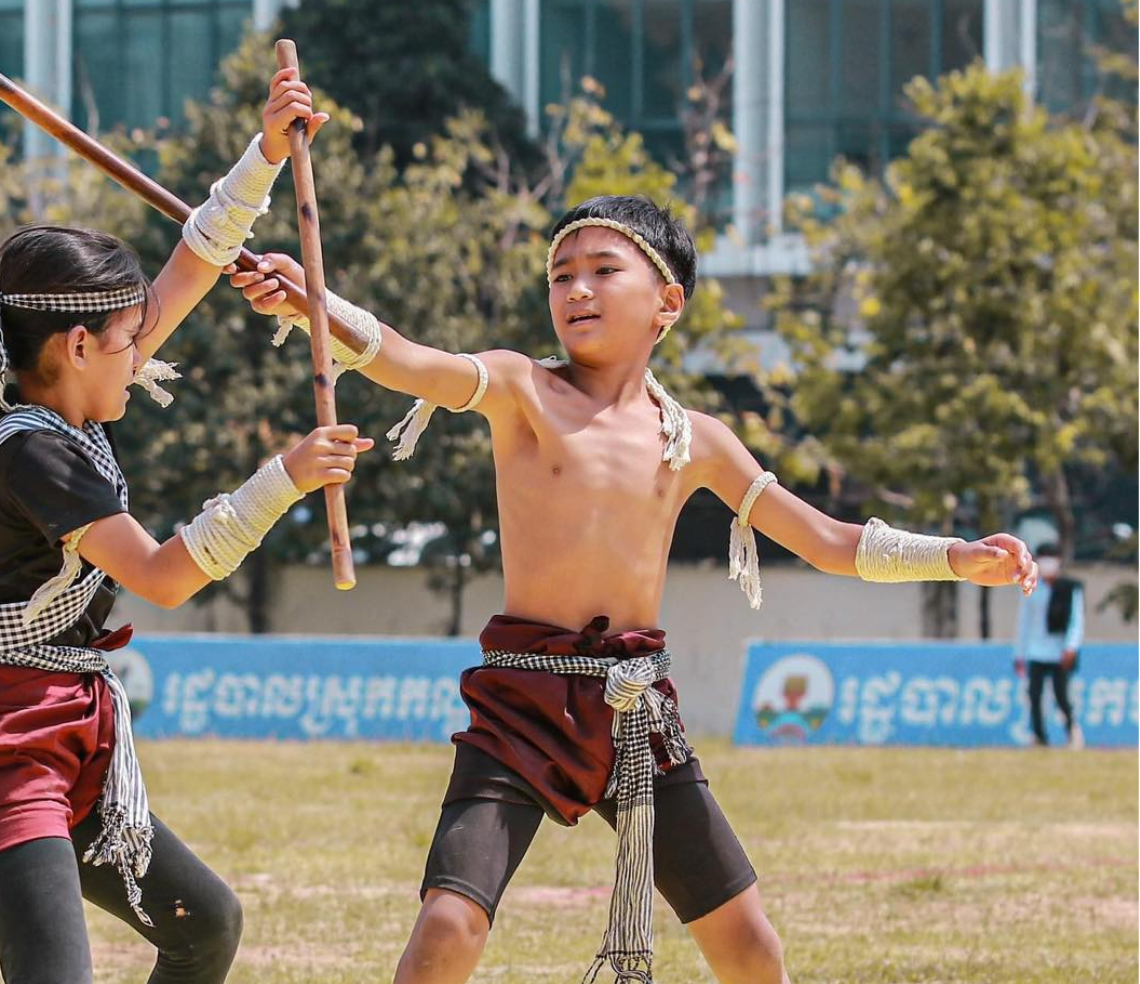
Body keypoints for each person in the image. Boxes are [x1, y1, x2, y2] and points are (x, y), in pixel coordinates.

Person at [230, 194, 1037, 984]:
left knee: (751, 947)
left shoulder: (696, 440)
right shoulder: (521, 389)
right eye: (559, 274)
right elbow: (404, 358)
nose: (575, 289)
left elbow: (827, 540)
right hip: (522, 705)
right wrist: (312, 303)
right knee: (448, 927)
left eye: (601, 269)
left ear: (667, 302)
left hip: (638, 710)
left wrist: (955, 554)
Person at [0, 70, 365, 984]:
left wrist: (265, 152)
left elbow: (193, 260)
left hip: (67, 727)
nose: (142, 350)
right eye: (129, 339)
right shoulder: (34, 451)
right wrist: (282, 478)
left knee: (204, 928)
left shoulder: (70, 399)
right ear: (77, 345)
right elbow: (160, 574)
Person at [1016, 542, 1085, 748]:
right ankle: (1039, 736)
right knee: (1034, 695)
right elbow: (1024, 623)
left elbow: (1076, 620)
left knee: (1061, 695)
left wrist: (1071, 647)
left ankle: (1072, 730)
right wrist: (1019, 654)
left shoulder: (1070, 588)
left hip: (1059, 651)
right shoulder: (1031, 586)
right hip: (1036, 651)